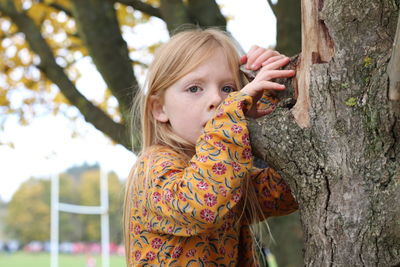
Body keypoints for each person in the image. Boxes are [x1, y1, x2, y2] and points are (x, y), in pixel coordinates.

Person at [123, 28, 298, 266]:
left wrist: (273, 89)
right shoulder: (153, 166)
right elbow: (202, 203)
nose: (217, 100)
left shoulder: (227, 166)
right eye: (194, 88)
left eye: (228, 89)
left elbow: (286, 191)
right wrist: (230, 114)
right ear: (159, 108)